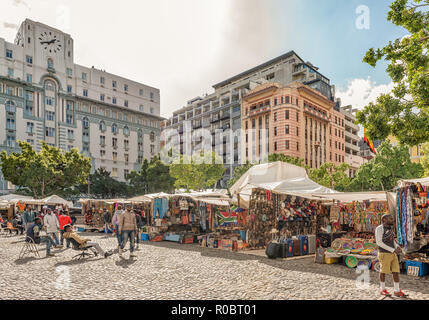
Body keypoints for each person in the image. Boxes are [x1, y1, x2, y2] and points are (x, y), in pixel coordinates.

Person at [375, 214, 408, 297]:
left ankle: (396, 290)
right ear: (384, 220)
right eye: (390, 218)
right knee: (383, 271)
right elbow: (379, 242)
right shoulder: (379, 228)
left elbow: (392, 240)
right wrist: (393, 250)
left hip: (392, 254)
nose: (392, 219)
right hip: (384, 253)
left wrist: (397, 247)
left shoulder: (390, 228)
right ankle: (382, 289)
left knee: (396, 271)